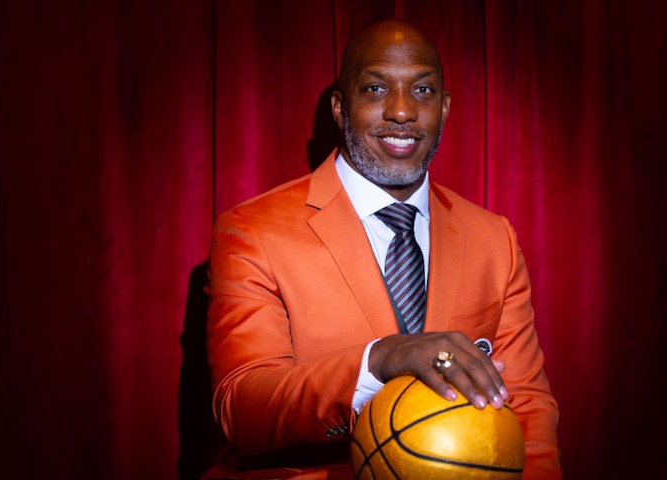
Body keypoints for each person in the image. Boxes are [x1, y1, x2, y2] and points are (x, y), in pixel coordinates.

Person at [202, 19, 561, 479]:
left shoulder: (495, 239)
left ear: (444, 108)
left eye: (422, 91)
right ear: (340, 108)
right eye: (375, 89)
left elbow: (527, 410)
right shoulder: (253, 231)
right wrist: (381, 360)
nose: (402, 111)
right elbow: (241, 408)